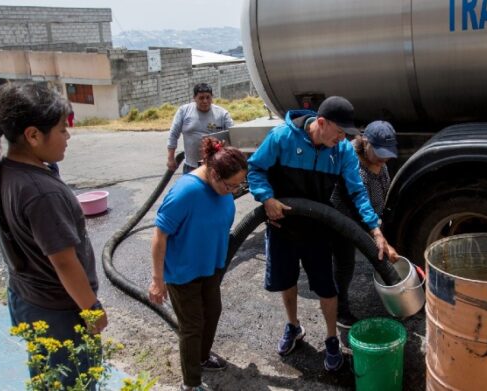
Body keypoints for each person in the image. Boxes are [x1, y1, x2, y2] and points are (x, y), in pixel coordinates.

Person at [247, 96, 398, 372]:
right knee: (286, 280)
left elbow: (357, 193)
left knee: (327, 287)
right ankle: (293, 326)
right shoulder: (282, 138)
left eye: (346, 134)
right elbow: (255, 169)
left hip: (317, 228)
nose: (343, 139)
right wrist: (266, 199)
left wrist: (375, 229)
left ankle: (331, 339)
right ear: (321, 122)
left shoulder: (341, 151)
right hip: (282, 225)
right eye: (339, 132)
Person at [0, 83, 106, 388]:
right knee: (74, 382)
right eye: (61, 129)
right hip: (59, 314)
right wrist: (91, 309)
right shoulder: (42, 193)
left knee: (48, 379)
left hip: (28, 299)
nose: (68, 136)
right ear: (33, 135)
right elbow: (64, 262)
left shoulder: (5, 170)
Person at [149, 137, 247, 391]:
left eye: (239, 186)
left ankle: (202, 358)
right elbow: (160, 236)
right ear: (213, 173)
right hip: (183, 272)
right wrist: (158, 280)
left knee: (212, 312)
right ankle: (190, 384)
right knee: (192, 326)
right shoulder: (186, 192)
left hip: (210, 268)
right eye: (231, 186)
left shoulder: (221, 185)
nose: (234, 191)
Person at [330, 120, 399, 328]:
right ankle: (339, 311)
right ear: (365, 142)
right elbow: (354, 206)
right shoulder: (352, 166)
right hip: (345, 222)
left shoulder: (379, 163)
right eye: (379, 152)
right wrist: (378, 237)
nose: (384, 158)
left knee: (382, 255)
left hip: (370, 221)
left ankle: (397, 298)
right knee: (344, 265)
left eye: (387, 153)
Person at [167, 83, 234, 174]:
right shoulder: (184, 111)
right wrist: (170, 158)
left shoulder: (222, 114)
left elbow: (233, 136)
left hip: (215, 168)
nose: (205, 101)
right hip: (191, 167)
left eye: (208, 97)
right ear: (194, 98)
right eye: (201, 98)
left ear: (212, 97)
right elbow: (173, 135)